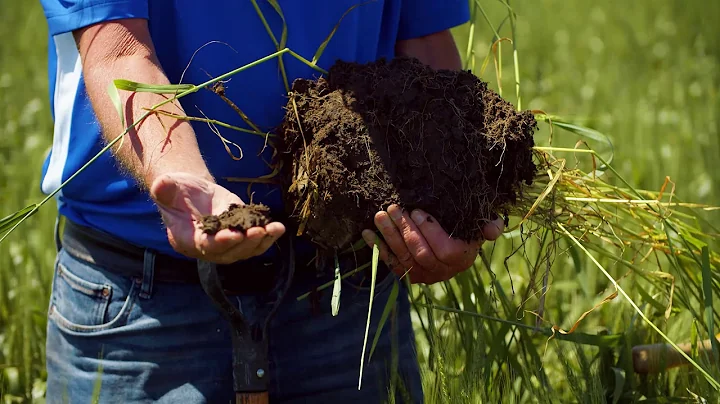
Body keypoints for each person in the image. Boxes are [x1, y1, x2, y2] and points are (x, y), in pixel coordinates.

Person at [38, 1, 504, 402]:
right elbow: (117, 50)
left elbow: (423, 39)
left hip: (345, 290)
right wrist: (180, 178)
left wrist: (452, 200)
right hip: (144, 306)